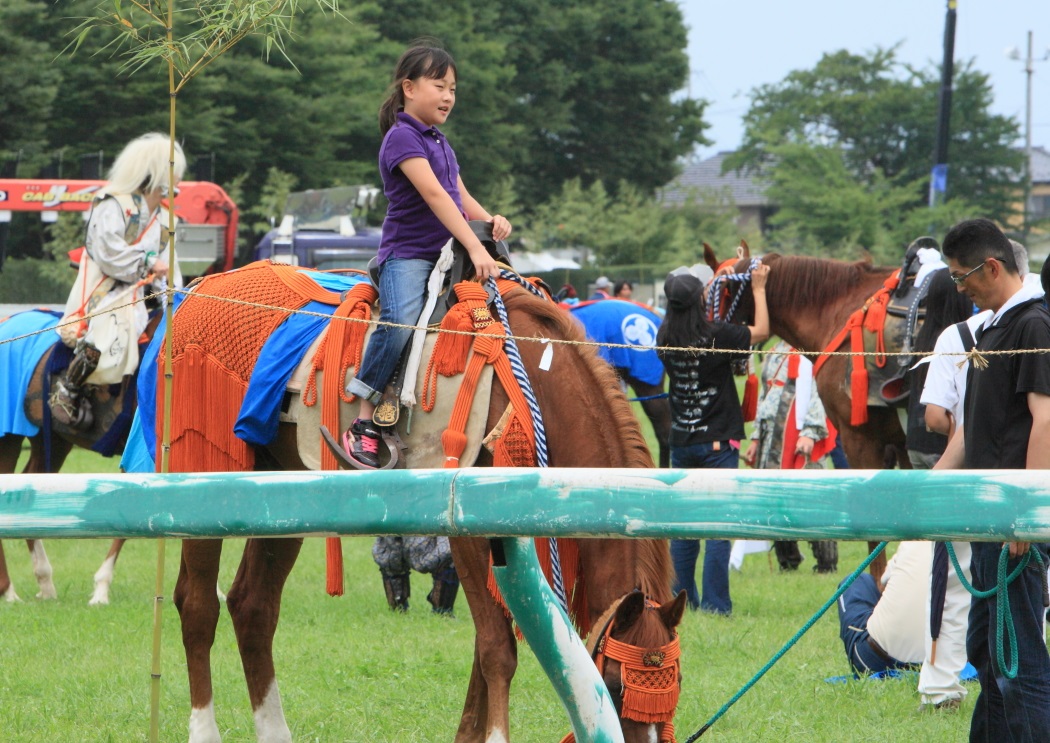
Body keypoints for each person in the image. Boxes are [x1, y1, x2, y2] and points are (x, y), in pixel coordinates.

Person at [342, 43, 511, 468]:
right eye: (440, 85)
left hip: (447, 257)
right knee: (398, 324)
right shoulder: (401, 138)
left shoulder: (439, 140)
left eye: (453, 88)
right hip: (410, 256)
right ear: (409, 88)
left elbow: (458, 194)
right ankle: (364, 420)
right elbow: (436, 196)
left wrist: (490, 221)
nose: (449, 96)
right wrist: (475, 245)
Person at [935, 218, 1050, 742]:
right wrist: (929, 488)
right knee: (986, 650)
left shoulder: (1033, 325)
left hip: (1012, 522)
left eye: (962, 278)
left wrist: (1025, 516)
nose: (960, 290)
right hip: (987, 519)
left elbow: (1045, 420)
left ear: (993, 267)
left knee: (1018, 655)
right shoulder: (993, 327)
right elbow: (972, 427)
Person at [656, 264, 770, 614]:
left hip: (682, 444)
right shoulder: (718, 335)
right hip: (717, 445)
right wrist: (759, 288)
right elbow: (763, 331)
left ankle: (681, 599)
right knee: (718, 527)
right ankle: (716, 605)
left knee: (684, 528)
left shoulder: (664, 337)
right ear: (698, 301)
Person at [50, 132, 183, 429]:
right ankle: (68, 389)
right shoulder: (113, 205)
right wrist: (147, 262)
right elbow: (107, 251)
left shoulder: (166, 216)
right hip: (108, 287)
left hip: (148, 292)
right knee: (104, 337)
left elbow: (171, 261)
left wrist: (174, 294)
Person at [908, 267, 982, 711]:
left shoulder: (954, 336)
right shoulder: (1029, 324)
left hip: (959, 471)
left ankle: (940, 686)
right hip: (1027, 471)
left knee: (952, 579)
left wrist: (960, 436)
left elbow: (935, 416)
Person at [743, 339, 838, 572]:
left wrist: (810, 431)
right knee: (774, 499)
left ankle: (826, 562)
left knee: (812, 499)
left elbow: (818, 392)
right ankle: (787, 559)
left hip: (799, 436)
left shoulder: (811, 348)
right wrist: (756, 437)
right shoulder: (774, 351)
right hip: (772, 437)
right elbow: (765, 396)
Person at [837, 541, 931, 677]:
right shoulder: (969, 550)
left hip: (876, 659)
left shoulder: (913, 542)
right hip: (947, 663)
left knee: (853, 581)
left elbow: (883, 583)